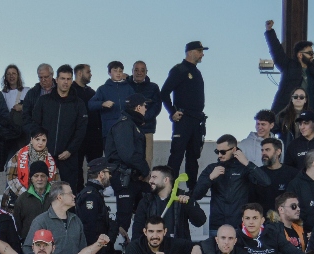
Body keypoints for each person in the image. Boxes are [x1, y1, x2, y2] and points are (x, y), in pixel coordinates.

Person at [29, 65, 88, 192]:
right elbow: (35, 124)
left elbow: (81, 130)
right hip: (45, 154)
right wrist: (41, 147)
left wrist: (70, 150)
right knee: (42, 190)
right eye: (62, 78)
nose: (65, 82)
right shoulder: (44, 101)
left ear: (72, 80)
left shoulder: (79, 104)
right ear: (56, 80)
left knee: (69, 190)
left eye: (68, 79)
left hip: (69, 155)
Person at [192, 135, 268, 234]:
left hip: (239, 225)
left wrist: (246, 163)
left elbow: (266, 182)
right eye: (217, 151)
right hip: (217, 225)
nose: (219, 155)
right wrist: (210, 178)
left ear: (234, 150)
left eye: (223, 152)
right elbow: (196, 195)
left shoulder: (244, 168)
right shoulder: (212, 169)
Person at [158, 41, 208, 183]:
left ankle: (193, 188)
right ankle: (168, 188)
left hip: (197, 120)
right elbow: (164, 92)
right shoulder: (179, 70)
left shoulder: (197, 72)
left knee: (193, 156)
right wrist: (172, 112)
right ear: (190, 52)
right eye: (199, 51)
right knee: (177, 155)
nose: (202, 54)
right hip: (183, 119)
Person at [104, 94, 151, 234]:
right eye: (145, 106)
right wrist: (145, 170)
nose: (146, 109)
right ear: (138, 107)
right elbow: (128, 154)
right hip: (124, 178)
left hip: (133, 178)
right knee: (123, 218)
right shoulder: (124, 124)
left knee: (147, 211)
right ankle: (112, 251)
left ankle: (136, 247)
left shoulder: (132, 124)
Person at [264, 20, 314, 113]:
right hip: (287, 114)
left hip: (309, 117)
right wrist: (269, 31)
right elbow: (277, 51)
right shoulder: (289, 66)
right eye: (309, 53)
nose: (312, 55)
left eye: (313, 53)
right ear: (300, 55)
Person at [87, 61, 133, 143]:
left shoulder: (129, 88)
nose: (118, 73)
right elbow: (91, 104)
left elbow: (137, 104)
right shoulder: (103, 89)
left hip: (126, 130)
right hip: (109, 130)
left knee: (126, 155)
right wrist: (102, 104)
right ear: (109, 72)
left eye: (120, 71)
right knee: (111, 155)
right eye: (115, 70)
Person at [254, 137, 299, 214]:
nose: (263, 153)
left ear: (278, 151)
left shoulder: (292, 173)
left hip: (286, 219)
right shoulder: (257, 173)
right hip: (263, 221)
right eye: (262, 150)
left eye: (267, 150)